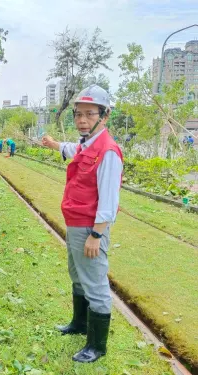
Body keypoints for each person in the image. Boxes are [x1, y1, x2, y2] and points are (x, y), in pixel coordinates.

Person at [42, 84, 123, 363]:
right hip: (75, 225)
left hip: (90, 230)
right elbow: (73, 148)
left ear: (104, 115)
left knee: (95, 283)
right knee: (77, 275)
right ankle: (79, 324)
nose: (82, 120)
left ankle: (97, 346)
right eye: (78, 114)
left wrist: (96, 235)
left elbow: (109, 202)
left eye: (90, 114)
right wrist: (54, 145)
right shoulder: (88, 144)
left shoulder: (108, 151)